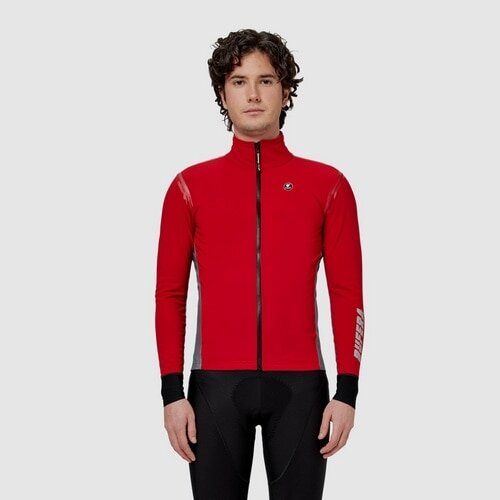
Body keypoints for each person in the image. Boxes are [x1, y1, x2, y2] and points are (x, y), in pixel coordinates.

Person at [154, 28, 365, 500]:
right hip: (213, 389)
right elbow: (170, 294)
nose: (252, 94)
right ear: (222, 95)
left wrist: (347, 392)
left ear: (286, 91)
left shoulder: (328, 185)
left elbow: (347, 292)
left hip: (302, 389)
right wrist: (172, 393)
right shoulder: (189, 186)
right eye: (238, 81)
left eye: (265, 81)